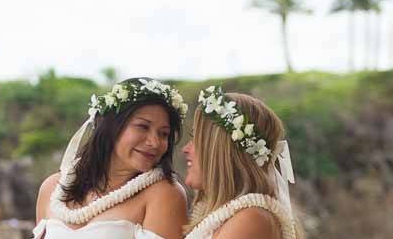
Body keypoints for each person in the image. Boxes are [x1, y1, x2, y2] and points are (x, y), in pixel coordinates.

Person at [33, 77, 189, 239]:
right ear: (111, 127)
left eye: (164, 134)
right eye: (143, 126)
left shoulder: (165, 195)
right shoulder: (52, 188)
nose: (154, 142)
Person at [182, 86, 299, 239]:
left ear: (221, 151)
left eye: (196, 137)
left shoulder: (252, 219)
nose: (185, 149)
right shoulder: (226, 215)